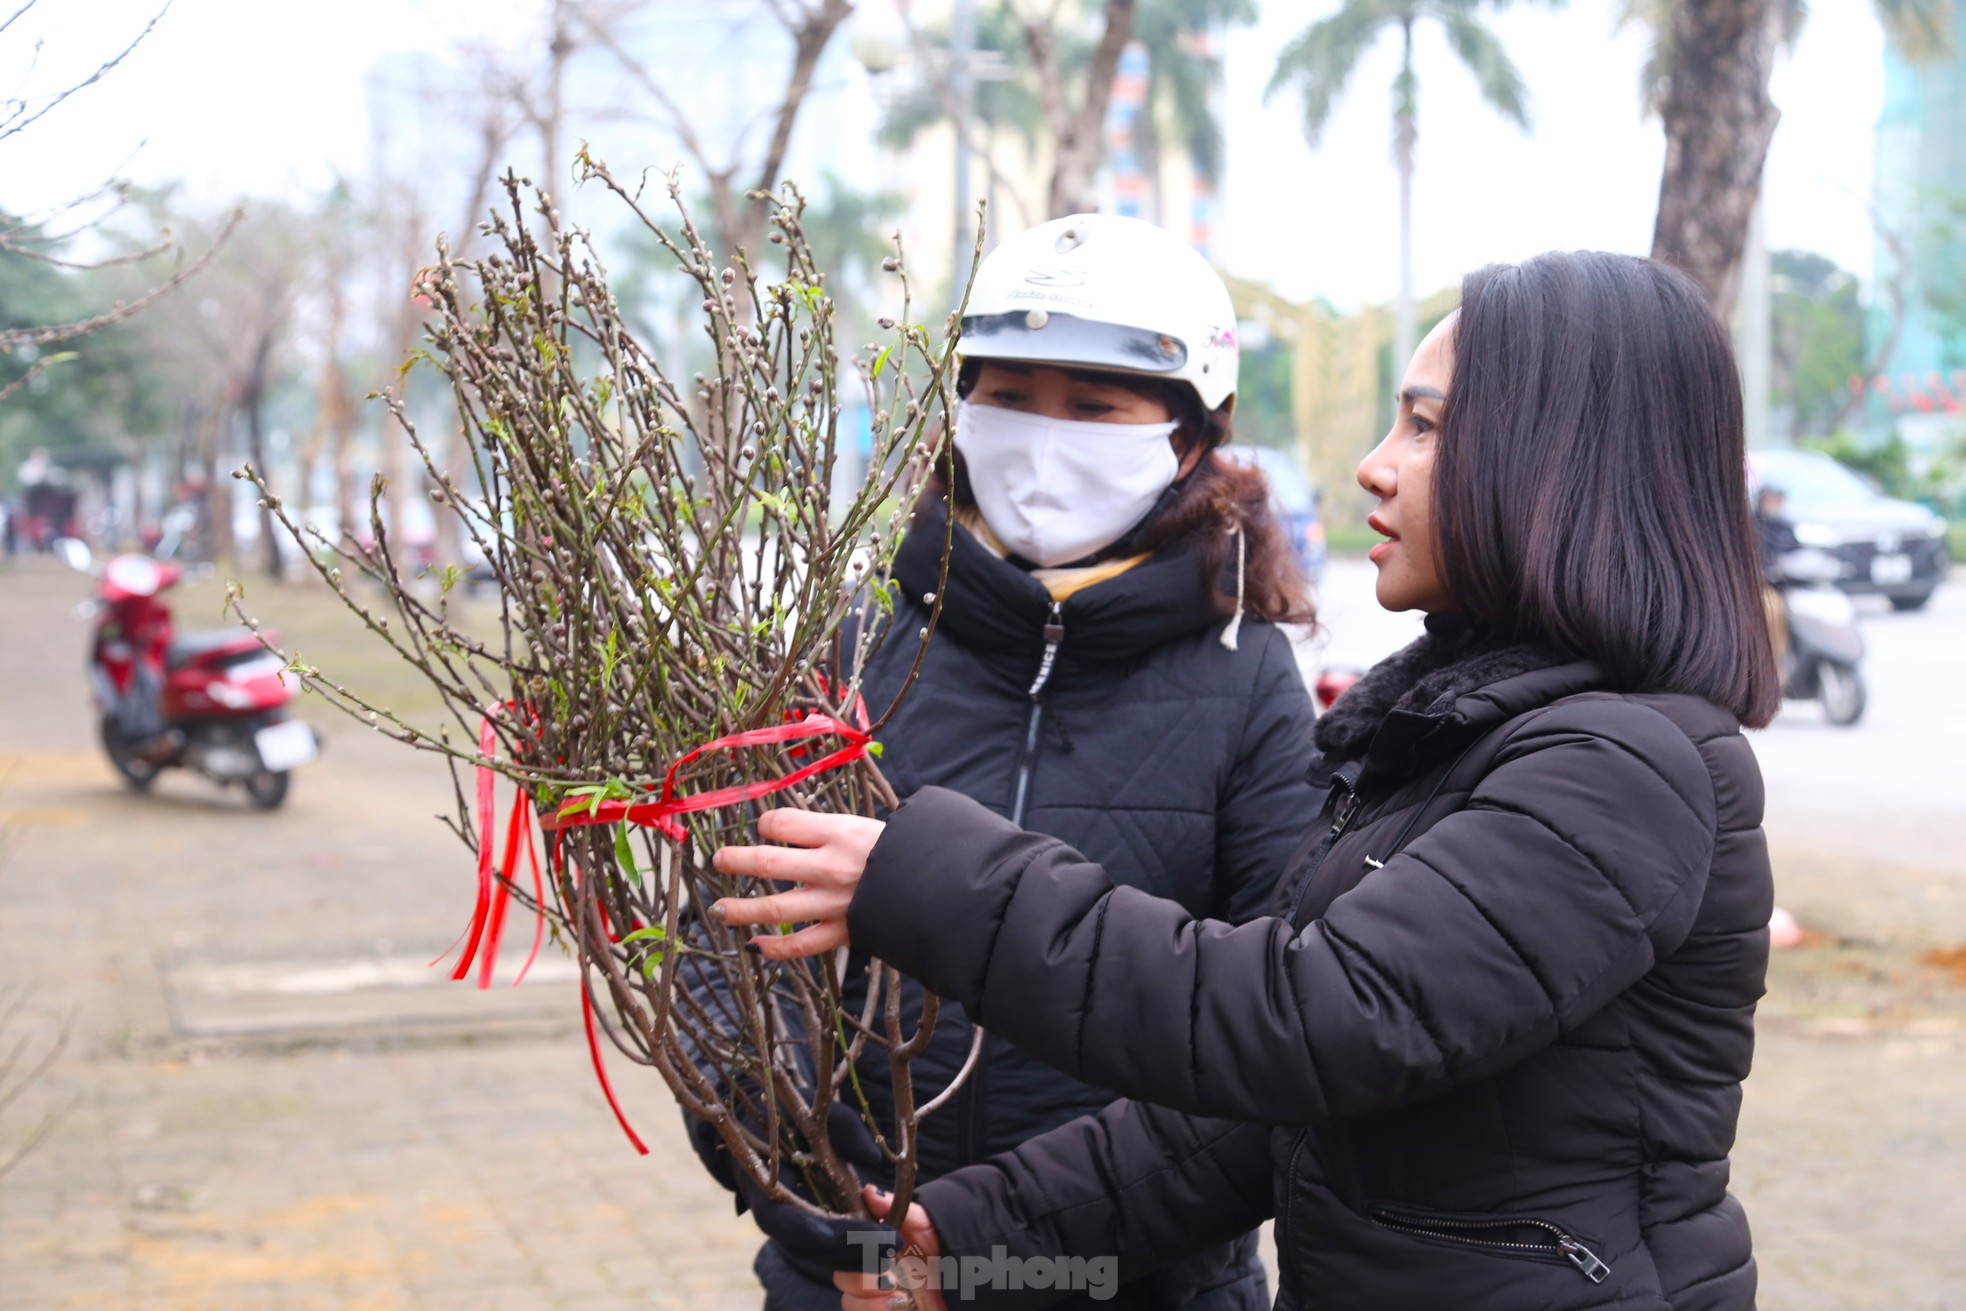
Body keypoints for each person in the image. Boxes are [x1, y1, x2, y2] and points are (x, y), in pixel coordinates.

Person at [713, 250, 1780, 1311]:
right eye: (1010, 398)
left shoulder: (1619, 767)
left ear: (1561, 461)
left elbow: (1310, 1021)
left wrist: (924, 883)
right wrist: (970, 1245)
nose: (1373, 466)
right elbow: (1275, 1111)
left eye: (1424, 426)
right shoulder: (1446, 741)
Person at [687, 213, 1319, 1311]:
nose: (1042, 436)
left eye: (1093, 407)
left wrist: (989, 1246)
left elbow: (1277, 1031)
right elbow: (724, 943)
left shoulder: (1249, 683)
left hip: (1133, 1282)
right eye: (1010, 395)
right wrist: (798, 1171)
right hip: (851, 1277)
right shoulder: (850, 649)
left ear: (1186, 434)